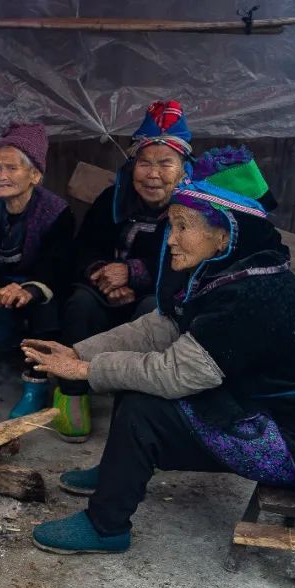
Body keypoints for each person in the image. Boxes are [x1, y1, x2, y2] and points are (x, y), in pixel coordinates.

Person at [22, 147, 295, 554]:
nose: (170, 238)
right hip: (249, 403)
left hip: (290, 441)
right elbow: (161, 327)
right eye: (172, 225)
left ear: (225, 233)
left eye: (182, 226)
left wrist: (86, 371)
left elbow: (180, 373)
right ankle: (115, 473)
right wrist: (77, 352)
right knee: (132, 375)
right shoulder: (224, 271)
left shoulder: (256, 291)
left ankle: (106, 528)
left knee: (145, 410)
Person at [55, 100, 193, 442]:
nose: (153, 173)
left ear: (182, 168)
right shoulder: (113, 199)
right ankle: (72, 395)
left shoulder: (194, 207)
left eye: (165, 163)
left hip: (158, 296)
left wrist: (133, 275)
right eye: (144, 162)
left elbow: (190, 264)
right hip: (106, 294)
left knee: (155, 314)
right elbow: (84, 246)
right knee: (80, 304)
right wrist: (103, 274)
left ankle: (138, 411)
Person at [0, 122, 76, 422]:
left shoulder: (57, 212)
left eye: (11, 168)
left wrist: (30, 290)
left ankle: (34, 388)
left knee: (47, 309)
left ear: (35, 175)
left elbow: (57, 261)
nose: (2, 176)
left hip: (35, 283)